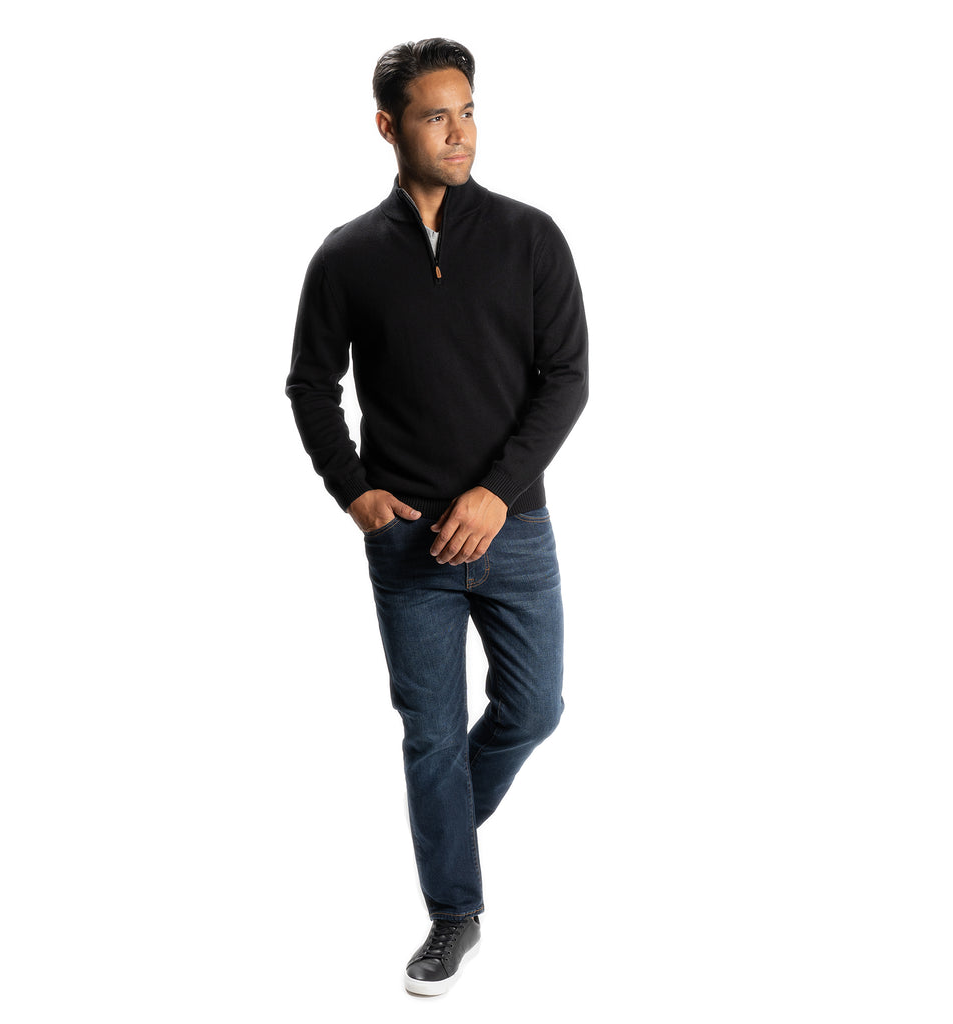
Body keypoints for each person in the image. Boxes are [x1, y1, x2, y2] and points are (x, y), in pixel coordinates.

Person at [285, 37, 588, 995]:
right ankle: (454, 911)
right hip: (406, 538)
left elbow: (567, 380)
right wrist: (353, 490)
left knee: (536, 709)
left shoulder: (531, 236)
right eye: (434, 116)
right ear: (388, 126)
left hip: (516, 528)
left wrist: (497, 493)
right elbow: (309, 386)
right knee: (429, 734)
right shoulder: (346, 256)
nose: (460, 134)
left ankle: (442, 819)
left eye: (469, 112)